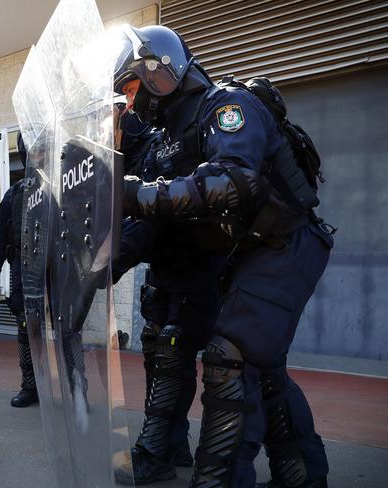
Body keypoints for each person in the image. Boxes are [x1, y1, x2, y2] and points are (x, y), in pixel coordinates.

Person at [114, 25, 333, 488]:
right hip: (246, 252)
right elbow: (162, 218)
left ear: (158, 72)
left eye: (131, 89)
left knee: (229, 358)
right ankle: (303, 475)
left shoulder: (227, 106)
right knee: (263, 369)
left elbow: (235, 181)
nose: (130, 105)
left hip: (287, 242)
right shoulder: (170, 137)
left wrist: (135, 194)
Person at [114, 106, 226, 484]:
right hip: (165, 271)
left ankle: (155, 453)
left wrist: (110, 262)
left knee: (173, 351)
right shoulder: (149, 147)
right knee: (158, 350)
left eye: (128, 96)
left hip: (196, 265)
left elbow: (154, 218)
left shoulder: (168, 142)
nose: (129, 104)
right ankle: (173, 443)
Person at [0, 132, 38, 408]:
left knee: (65, 332)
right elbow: (0, 235)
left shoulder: (62, 187)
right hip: (22, 266)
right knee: (26, 328)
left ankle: (74, 388)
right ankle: (30, 385)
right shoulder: (14, 194)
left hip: (56, 268)